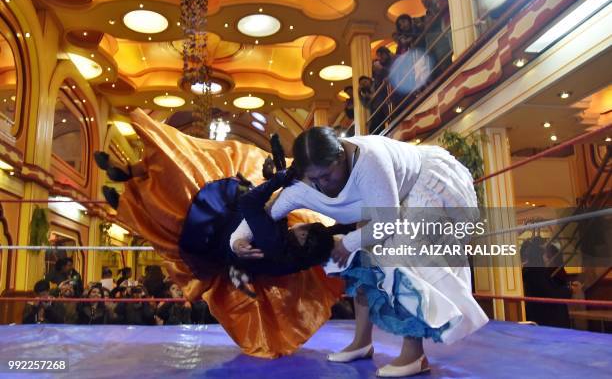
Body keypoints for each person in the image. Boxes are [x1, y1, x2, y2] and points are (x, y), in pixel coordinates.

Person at [231, 127, 488, 377]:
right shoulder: (301, 186)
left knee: (402, 259)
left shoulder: (370, 160)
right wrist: (238, 239)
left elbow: (386, 223)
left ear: (341, 155)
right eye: (314, 177)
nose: (322, 184)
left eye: (327, 175)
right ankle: (361, 343)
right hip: (377, 204)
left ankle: (414, 355)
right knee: (361, 264)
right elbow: (263, 213)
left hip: (421, 182)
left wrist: (349, 242)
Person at [93, 108, 344, 358]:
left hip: (218, 221)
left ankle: (129, 181)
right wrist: (279, 171)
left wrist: (277, 178)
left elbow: (254, 205)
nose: (301, 224)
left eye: (305, 228)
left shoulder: (275, 241)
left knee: (186, 171)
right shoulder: (293, 257)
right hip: (215, 242)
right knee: (169, 215)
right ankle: (126, 192)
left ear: (302, 237)